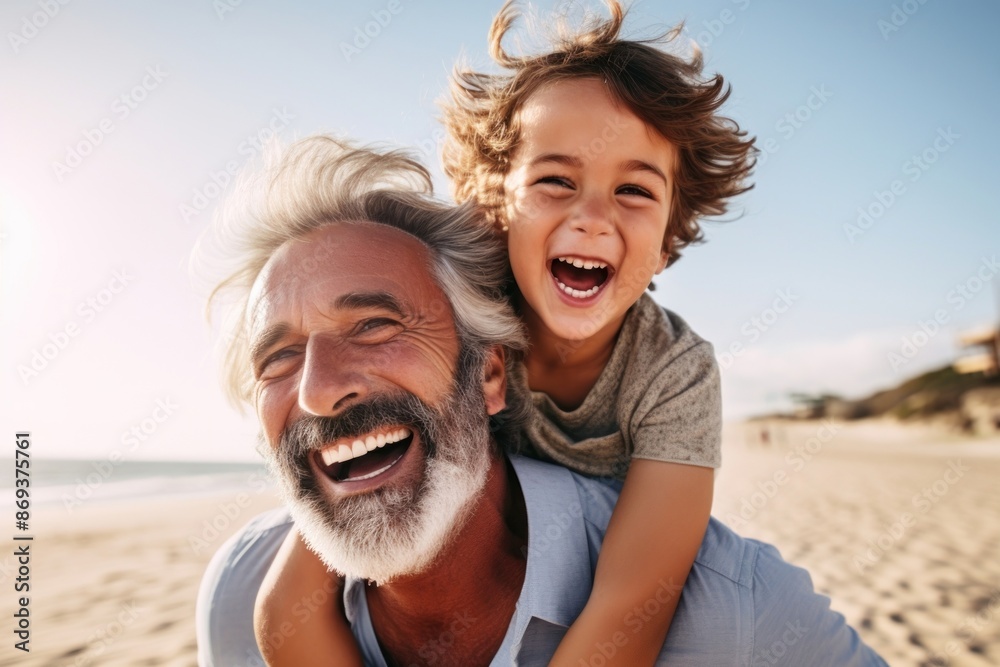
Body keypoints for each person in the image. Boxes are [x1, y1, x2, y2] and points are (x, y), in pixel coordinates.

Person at [194, 135, 887, 666]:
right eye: (278, 357)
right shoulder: (238, 598)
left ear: (492, 373)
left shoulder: (734, 609)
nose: (317, 386)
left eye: (375, 324)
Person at [258, 2, 756, 664]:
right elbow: (283, 616)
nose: (592, 217)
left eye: (634, 191)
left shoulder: (676, 374)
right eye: (555, 181)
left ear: (667, 239)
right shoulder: (452, 329)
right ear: (495, 209)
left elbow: (630, 606)